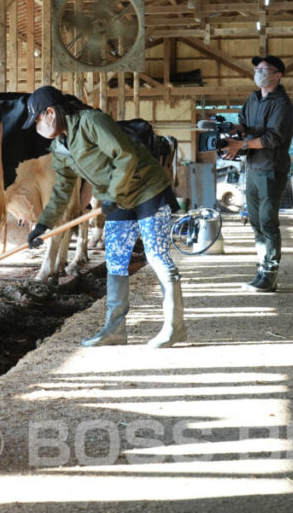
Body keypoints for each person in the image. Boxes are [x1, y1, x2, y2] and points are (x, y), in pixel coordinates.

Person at [23, 85, 186, 348]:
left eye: (37, 119)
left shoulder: (91, 122)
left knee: (156, 256)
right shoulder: (60, 148)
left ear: (50, 112)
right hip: (117, 197)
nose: (37, 126)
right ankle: (115, 329)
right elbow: (63, 190)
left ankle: (174, 326)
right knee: (116, 261)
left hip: (147, 190)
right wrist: (43, 224)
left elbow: (126, 156)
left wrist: (111, 195)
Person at [221, 54, 293, 293]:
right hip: (252, 167)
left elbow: (273, 138)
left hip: (272, 169)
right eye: (257, 68)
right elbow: (245, 124)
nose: (259, 72)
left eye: (265, 69)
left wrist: (240, 145)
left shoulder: (282, 104)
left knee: (268, 221)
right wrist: (234, 130)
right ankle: (261, 271)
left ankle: (270, 275)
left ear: (277, 75)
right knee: (255, 222)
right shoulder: (252, 99)